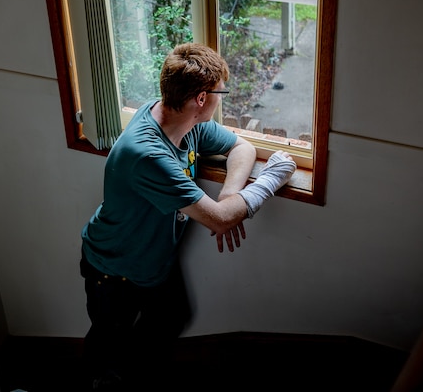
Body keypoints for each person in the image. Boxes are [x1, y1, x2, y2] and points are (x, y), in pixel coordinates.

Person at [79, 42, 297, 390]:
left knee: (170, 318)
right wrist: (272, 177)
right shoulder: (148, 154)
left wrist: (229, 193)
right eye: (220, 92)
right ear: (200, 98)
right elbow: (220, 220)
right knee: (108, 353)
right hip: (114, 270)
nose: (221, 98)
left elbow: (242, 147)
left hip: (153, 264)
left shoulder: (185, 120)